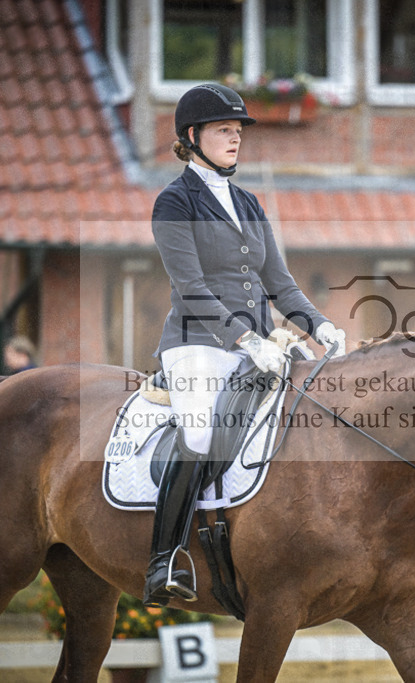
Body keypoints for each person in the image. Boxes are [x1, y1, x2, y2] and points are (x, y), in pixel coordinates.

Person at [144, 83, 347, 606]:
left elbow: (280, 283)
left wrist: (319, 326)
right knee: (199, 429)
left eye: (238, 132)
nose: (235, 140)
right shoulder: (173, 202)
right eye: (223, 131)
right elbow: (192, 289)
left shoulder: (248, 201)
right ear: (192, 137)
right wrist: (246, 338)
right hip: (197, 343)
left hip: (261, 344)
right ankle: (164, 558)